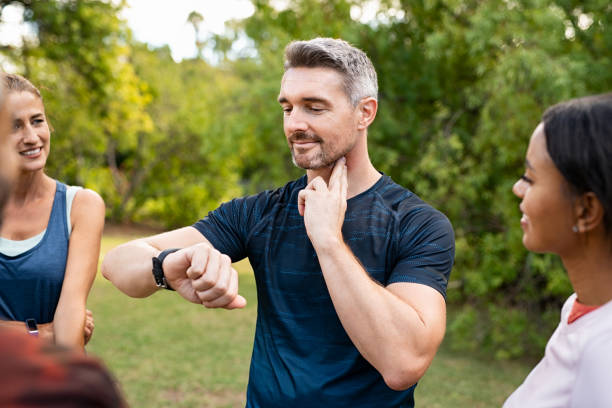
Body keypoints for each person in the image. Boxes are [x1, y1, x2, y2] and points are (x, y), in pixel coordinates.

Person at [102, 38, 454, 407]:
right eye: (288, 108)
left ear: (365, 112)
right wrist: (166, 265)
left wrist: (328, 241)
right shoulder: (258, 213)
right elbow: (117, 264)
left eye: (314, 108)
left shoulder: (418, 225)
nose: (295, 124)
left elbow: (402, 363)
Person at [504, 93, 612, 407]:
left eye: (531, 178)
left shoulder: (604, 354)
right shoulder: (578, 309)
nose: (517, 188)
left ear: (586, 211)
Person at [0, 73, 104, 350]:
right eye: (14, 127)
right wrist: (38, 333)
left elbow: (71, 313)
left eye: (37, 121)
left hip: (51, 378)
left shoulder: (81, 206)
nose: (31, 137)